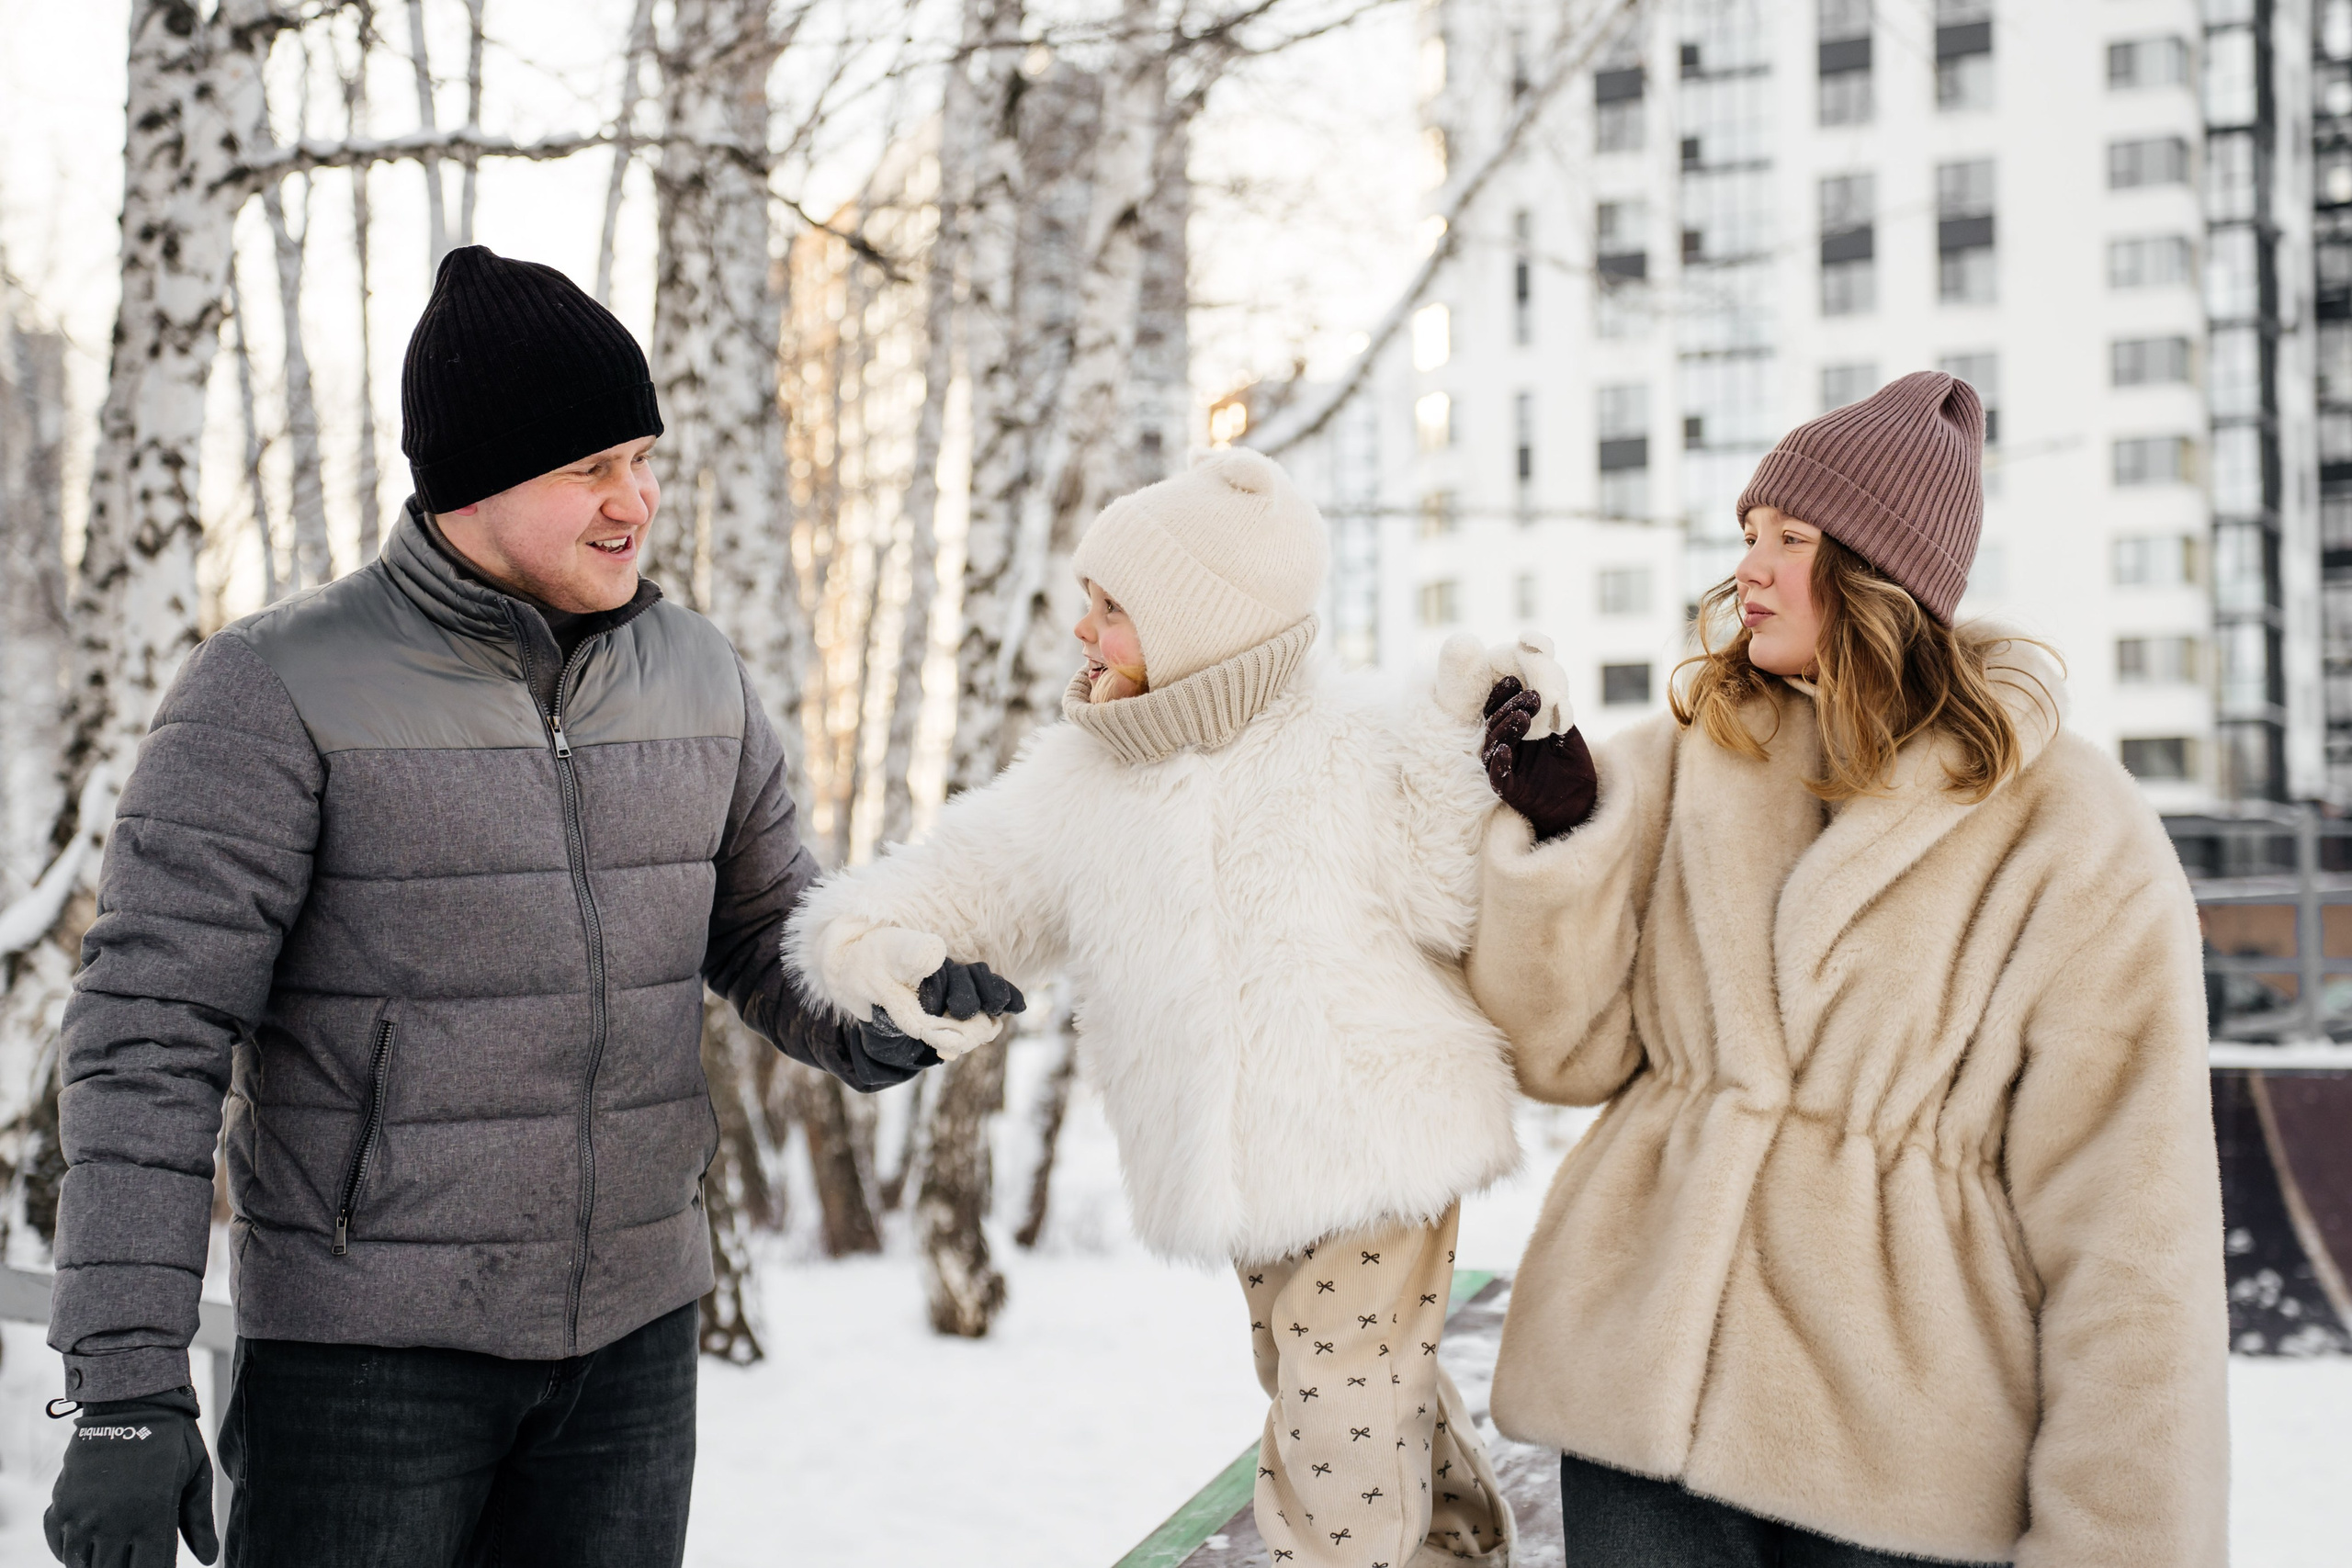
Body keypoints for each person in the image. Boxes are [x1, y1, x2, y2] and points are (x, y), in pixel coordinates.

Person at [41, 246, 1016, 1568]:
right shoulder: (276, 689)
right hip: (365, 1366)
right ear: (475, 480)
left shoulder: (696, 673)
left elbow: (767, 924)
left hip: (631, 1347)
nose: (637, 502)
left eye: (642, 457)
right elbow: (146, 1036)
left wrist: (877, 1002)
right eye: (591, 469)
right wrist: (124, 1382)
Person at [1466, 370, 2229, 1567]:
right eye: (1747, 536)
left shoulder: (2073, 829)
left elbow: (2133, 1228)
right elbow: (1564, 1055)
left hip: (1900, 1444)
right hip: (1640, 1395)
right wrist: (1564, 843)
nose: (1748, 570)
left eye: (1791, 539)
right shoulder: (1687, 756)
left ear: (1883, 575)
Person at [787, 449, 1523, 1567]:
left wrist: (1461, 745)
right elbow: (955, 882)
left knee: (1337, 1417)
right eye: (1088, 599)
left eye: (1114, 607)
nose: (1084, 630)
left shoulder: (1354, 743)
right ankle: (1459, 1545)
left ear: (1202, 622)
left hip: (1381, 1144)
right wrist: (883, 948)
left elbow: (1445, 890)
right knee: (1343, 1392)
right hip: (1241, 1176)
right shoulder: (1083, 785)